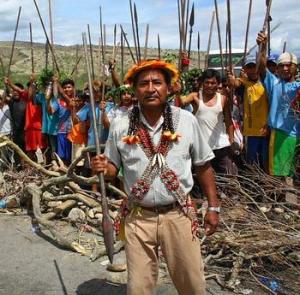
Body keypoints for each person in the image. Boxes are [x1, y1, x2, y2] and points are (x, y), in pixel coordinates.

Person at [91, 59, 220, 295]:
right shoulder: (120, 125)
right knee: (138, 288)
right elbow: (111, 169)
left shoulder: (186, 120)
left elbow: (204, 166)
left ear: (169, 87)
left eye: (157, 82)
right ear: (134, 89)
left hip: (178, 215)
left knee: (193, 285)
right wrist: (102, 167)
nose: (151, 88)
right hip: (139, 217)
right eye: (144, 84)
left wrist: (213, 207)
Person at [257, 32, 300, 178]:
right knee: (278, 175)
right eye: (281, 66)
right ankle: (279, 200)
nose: (285, 69)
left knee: (294, 175)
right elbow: (261, 68)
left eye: (288, 65)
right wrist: (263, 46)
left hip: (297, 136)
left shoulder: (298, 86)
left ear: (295, 67)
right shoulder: (274, 84)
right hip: (281, 135)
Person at [182, 69, 235, 174]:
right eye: (207, 82)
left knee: (229, 177)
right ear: (202, 83)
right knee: (203, 179)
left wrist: (232, 141)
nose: (209, 86)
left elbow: (229, 122)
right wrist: (175, 91)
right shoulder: (195, 97)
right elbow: (178, 103)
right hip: (202, 147)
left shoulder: (223, 99)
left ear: (218, 84)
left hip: (221, 146)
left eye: (213, 83)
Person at [228, 55, 269, 171]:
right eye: (249, 67)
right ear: (245, 69)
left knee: (266, 161)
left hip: (266, 130)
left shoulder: (266, 82)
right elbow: (235, 83)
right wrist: (231, 78)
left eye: (254, 66)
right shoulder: (244, 82)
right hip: (251, 132)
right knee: (252, 162)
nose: (252, 70)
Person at [5, 75, 47, 162]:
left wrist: (32, 82)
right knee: (29, 152)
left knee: (44, 150)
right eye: (30, 88)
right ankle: (29, 169)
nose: (32, 90)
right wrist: (9, 84)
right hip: (28, 130)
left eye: (34, 87)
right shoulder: (26, 98)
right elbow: (19, 91)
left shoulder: (41, 98)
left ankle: (46, 168)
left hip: (40, 129)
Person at [4, 79, 26, 169]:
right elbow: (6, 97)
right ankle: (19, 168)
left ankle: (28, 167)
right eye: (13, 91)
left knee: (27, 152)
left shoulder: (26, 101)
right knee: (17, 151)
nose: (15, 93)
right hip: (16, 132)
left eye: (17, 91)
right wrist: (6, 86)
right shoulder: (11, 102)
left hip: (26, 132)